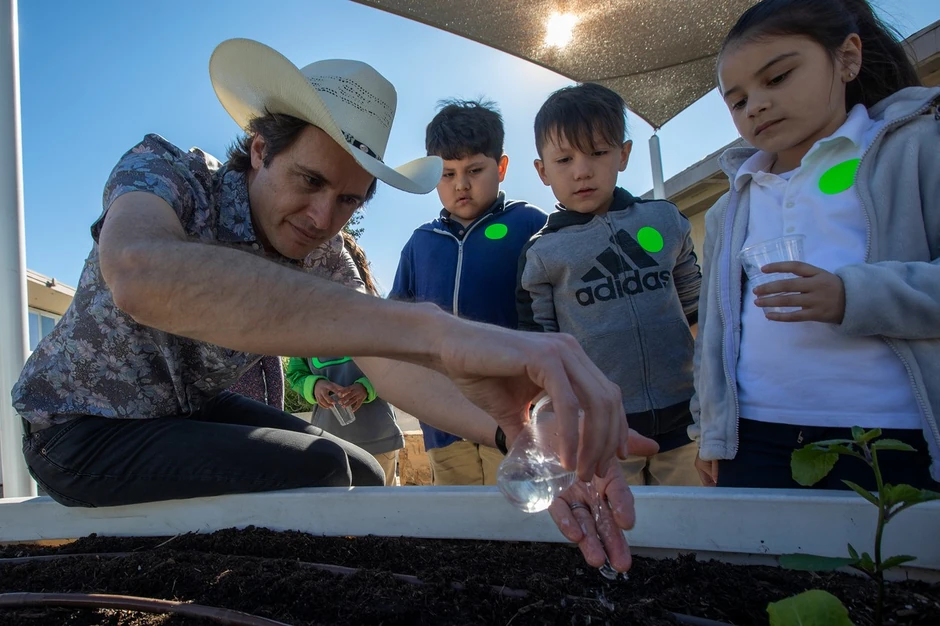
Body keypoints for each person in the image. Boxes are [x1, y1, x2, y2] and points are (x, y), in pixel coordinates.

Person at [11, 38, 655, 572]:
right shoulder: (169, 173)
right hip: (80, 431)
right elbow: (138, 273)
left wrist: (518, 433)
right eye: (310, 181)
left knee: (362, 469)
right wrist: (431, 329)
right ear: (262, 149)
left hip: (187, 412)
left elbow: (390, 362)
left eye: (349, 200)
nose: (323, 217)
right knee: (324, 470)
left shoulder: (326, 253)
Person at [692, 0, 940, 489]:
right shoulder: (731, 205)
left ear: (847, 58)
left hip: (896, 435)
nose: (756, 105)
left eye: (778, 77)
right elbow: (716, 333)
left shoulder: (915, 151)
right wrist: (709, 430)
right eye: (738, 101)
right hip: (755, 439)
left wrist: (853, 295)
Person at [517, 83, 702, 487]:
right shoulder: (542, 252)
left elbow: (700, 314)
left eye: (598, 153)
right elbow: (539, 351)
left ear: (623, 154)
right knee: (620, 533)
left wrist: (713, 405)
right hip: (600, 432)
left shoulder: (665, 221)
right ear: (542, 170)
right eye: (564, 159)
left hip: (688, 421)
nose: (582, 170)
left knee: (695, 533)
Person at [389, 99, 548, 486]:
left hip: (516, 419)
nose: (461, 184)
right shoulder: (420, 244)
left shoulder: (532, 225)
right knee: (461, 530)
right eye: (447, 174)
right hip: (443, 425)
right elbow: (396, 323)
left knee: (523, 525)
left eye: (474, 170)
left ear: (502, 167)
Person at [286, 232, 404, 486]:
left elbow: (394, 368)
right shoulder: (302, 326)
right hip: (329, 445)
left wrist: (365, 387)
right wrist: (314, 386)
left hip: (379, 439)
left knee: (383, 511)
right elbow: (295, 374)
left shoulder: (375, 316)